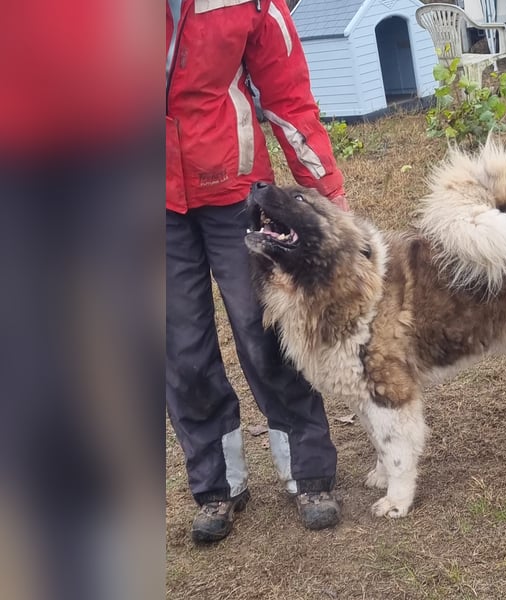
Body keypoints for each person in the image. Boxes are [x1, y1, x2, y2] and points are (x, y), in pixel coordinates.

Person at [166, 0, 348, 542]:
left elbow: (288, 96)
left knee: (265, 331)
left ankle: (308, 472)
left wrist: (325, 191)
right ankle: (217, 486)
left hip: (233, 187)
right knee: (182, 349)